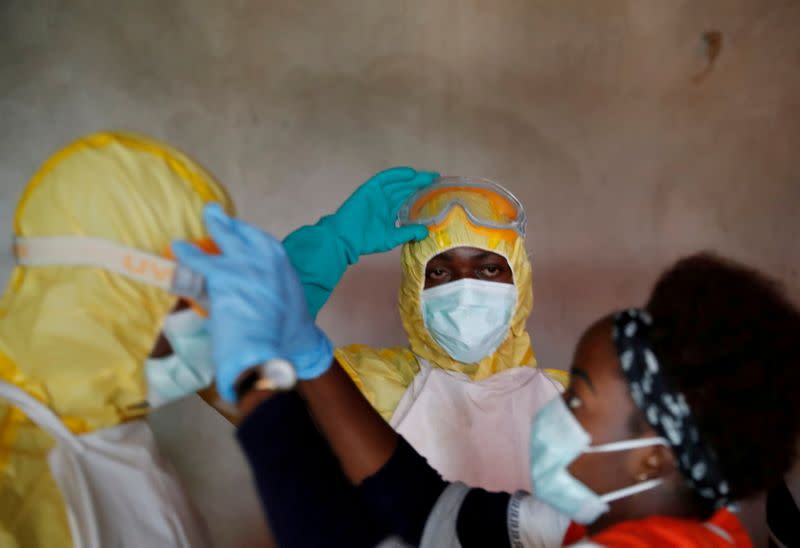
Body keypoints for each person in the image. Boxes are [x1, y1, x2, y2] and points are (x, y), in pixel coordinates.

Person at [175, 205, 800, 547]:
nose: (557, 412)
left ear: (650, 460)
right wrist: (309, 356)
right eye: (441, 270)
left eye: (578, 399)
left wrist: (264, 404)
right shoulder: (671, 520)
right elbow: (438, 513)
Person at [0, 132, 233, 545]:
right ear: (115, 303)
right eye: (192, 303)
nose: (211, 326)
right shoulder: (16, 489)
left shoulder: (111, 431)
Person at [282, 169, 567, 492]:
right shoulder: (368, 387)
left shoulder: (576, 403)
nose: (466, 291)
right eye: (440, 272)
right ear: (414, 287)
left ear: (520, 279)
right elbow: (238, 369)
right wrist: (330, 245)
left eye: (489, 269)